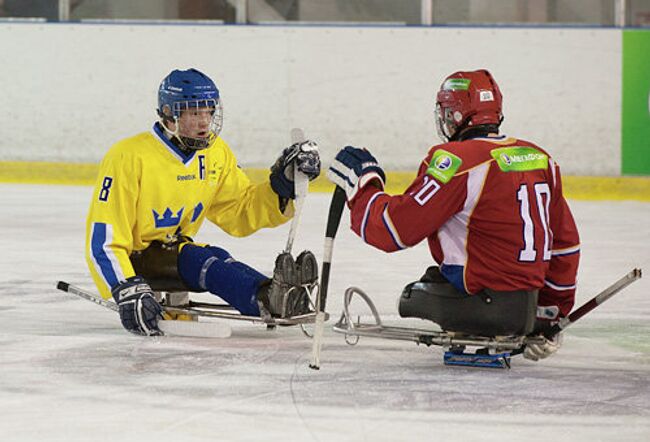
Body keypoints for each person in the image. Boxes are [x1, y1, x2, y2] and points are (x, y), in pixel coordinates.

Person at [328, 69, 580, 361]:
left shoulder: (458, 162)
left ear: (457, 116)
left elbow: (395, 230)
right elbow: (564, 245)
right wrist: (549, 314)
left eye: (447, 112)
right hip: (527, 306)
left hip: (487, 303)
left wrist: (362, 184)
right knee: (436, 277)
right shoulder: (540, 158)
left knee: (411, 297)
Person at [86, 68, 320, 336]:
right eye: (195, 112)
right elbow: (103, 239)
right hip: (135, 261)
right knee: (198, 258)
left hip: (176, 252)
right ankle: (265, 298)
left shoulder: (215, 152)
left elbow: (239, 211)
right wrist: (125, 288)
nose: (205, 121)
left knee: (215, 256)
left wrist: (281, 186)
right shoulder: (128, 156)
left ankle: (273, 293)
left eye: (209, 111)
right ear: (169, 114)